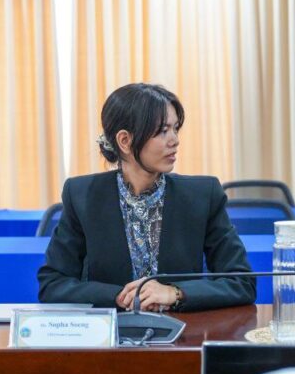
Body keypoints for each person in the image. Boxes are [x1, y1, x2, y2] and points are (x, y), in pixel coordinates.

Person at [38, 83, 256, 311]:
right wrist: (121, 296)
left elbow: (242, 282)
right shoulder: (82, 195)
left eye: (175, 129)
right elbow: (53, 284)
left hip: (182, 329)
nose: (175, 140)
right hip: (112, 330)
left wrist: (175, 293)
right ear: (125, 141)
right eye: (163, 131)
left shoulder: (202, 194)